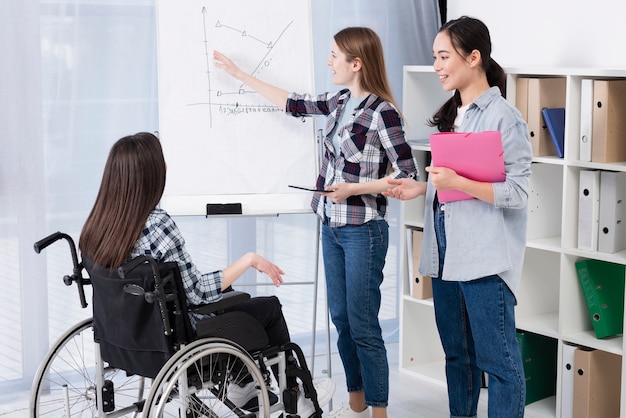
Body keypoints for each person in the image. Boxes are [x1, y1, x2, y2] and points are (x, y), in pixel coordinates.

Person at [214, 26, 417, 418]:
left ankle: (379, 412)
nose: (329, 62)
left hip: (363, 231)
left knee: (363, 324)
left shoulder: (384, 113)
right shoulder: (340, 102)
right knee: (341, 320)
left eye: (334, 56)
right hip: (330, 226)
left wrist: (354, 189)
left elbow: (407, 177)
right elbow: (291, 103)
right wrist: (239, 75)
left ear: (356, 64)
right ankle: (355, 404)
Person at [78, 132, 334, 416]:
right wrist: (248, 259)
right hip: (178, 342)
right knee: (267, 308)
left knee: (235, 303)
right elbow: (197, 293)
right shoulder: (157, 223)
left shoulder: (97, 228)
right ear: (151, 175)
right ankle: (298, 397)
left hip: (125, 340)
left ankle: (243, 382)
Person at [384, 16, 532, 418]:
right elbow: (451, 184)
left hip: (485, 258)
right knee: (457, 357)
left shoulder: (505, 118)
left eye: (444, 56)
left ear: (474, 57)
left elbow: (518, 193)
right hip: (446, 253)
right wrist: (422, 188)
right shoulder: (453, 114)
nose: (436, 65)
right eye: (434, 56)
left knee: (499, 365)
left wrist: (459, 181)